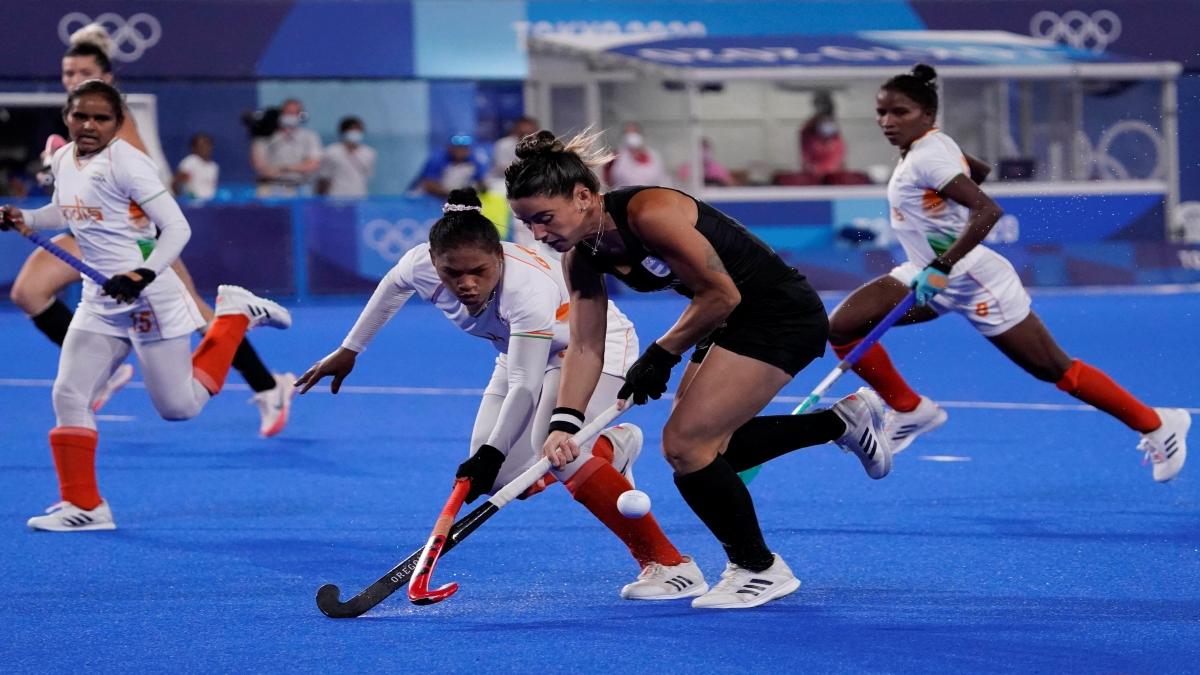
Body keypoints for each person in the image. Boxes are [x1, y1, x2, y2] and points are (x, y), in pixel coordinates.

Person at [506, 130, 893, 610]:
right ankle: (839, 422)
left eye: (544, 219)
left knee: (688, 446)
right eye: (527, 224)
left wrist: (662, 354)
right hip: (729, 323)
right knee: (707, 445)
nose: (538, 234)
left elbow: (721, 293)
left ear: (583, 196)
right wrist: (566, 422)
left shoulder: (649, 213)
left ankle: (759, 568)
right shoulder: (582, 256)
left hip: (780, 316)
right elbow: (586, 346)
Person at [294, 187, 707, 600]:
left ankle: (670, 564)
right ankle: (608, 449)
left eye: (478, 271)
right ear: (434, 262)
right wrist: (350, 350)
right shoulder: (422, 263)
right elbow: (391, 289)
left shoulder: (525, 290)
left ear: (499, 257)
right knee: (507, 480)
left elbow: (526, 385)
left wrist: (490, 452)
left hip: (593, 348)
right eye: (452, 274)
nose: (466, 284)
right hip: (519, 352)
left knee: (557, 452)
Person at [826, 64, 1190, 481]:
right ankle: (912, 410)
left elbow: (987, 209)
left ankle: (1159, 424)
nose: (887, 122)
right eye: (882, 113)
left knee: (1055, 369)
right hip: (926, 271)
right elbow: (977, 172)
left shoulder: (927, 156)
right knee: (843, 326)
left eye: (900, 112)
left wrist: (942, 266)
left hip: (972, 280)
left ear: (927, 115)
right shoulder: (928, 146)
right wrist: (943, 219)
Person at [1, 80, 292, 532]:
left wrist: (143, 274)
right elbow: (65, 211)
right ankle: (86, 506)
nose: (90, 125)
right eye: (81, 116)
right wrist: (27, 218)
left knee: (178, 408)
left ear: (117, 123)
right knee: (68, 393)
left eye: (101, 118)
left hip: (147, 296)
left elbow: (177, 229)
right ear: (67, 117)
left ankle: (232, 317)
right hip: (99, 299)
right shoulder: (63, 159)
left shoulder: (130, 165)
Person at [8, 25, 296, 434]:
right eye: (68, 73)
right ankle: (103, 370)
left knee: (198, 315)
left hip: (136, 238)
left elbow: (139, 177)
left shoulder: (114, 123)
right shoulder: (77, 130)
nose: (73, 80)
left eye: (82, 71)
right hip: (89, 232)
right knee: (28, 291)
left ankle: (269, 386)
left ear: (106, 77)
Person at [251, 98, 322, 197]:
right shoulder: (265, 136)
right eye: (288, 112)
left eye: (295, 113)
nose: (291, 116)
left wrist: (285, 168)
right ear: (281, 114)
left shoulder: (310, 137)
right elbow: (259, 165)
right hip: (269, 187)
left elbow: (313, 164)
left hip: (298, 188)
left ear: (301, 116)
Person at [317, 116, 376, 198]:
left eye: (359, 130)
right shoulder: (331, 152)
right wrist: (320, 200)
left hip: (359, 197)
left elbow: (367, 176)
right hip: (335, 199)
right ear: (344, 131)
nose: (356, 133)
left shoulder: (369, 153)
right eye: (352, 130)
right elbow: (323, 178)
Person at [413, 135, 487, 198]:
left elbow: (481, 183)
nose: (460, 151)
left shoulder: (473, 160)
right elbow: (429, 185)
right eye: (457, 148)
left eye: (464, 148)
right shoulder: (437, 159)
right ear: (449, 148)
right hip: (427, 197)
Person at [605, 123, 671, 189]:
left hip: (651, 195)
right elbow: (606, 180)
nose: (631, 136)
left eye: (634, 133)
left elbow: (663, 179)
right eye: (628, 133)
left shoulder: (654, 156)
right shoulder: (615, 156)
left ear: (641, 135)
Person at [489, 116, 539, 182]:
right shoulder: (503, 144)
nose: (525, 136)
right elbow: (504, 168)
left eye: (529, 133)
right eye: (522, 133)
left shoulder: (541, 146)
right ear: (516, 131)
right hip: (502, 181)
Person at [173, 132, 218, 200]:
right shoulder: (190, 162)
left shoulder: (214, 166)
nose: (205, 149)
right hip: (193, 206)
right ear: (193, 148)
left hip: (209, 204)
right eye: (201, 146)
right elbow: (175, 183)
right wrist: (182, 200)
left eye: (207, 145)